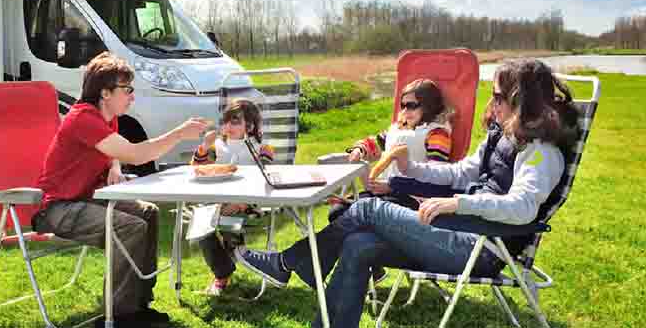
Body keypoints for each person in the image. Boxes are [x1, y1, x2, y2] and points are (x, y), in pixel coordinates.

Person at [236, 58, 579, 328]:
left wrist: (459, 202)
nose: (493, 104)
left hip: (479, 248)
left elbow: (521, 208)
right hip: (455, 230)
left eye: (499, 97)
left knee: (368, 209)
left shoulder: (542, 153)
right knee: (357, 245)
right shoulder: (503, 137)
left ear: (522, 102)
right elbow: (461, 172)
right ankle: (304, 280)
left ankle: (289, 263)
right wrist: (412, 169)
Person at [32, 52, 208, 328]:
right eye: (127, 90)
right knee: (128, 227)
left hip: (87, 200)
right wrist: (177, 134)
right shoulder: (83, 119)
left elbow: (113, 149)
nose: (132, 96)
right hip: (58, 208)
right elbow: (136, 154)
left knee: (147, 213)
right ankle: (117, 315)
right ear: (105, 93)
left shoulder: (106, 119)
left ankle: (138, 304)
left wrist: (114, 167)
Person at [331, 78, 453, 285]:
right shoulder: (399, 129)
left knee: (347, 213)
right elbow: (374, 142)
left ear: (428, 105)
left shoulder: (437, 133)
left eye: (412, 106)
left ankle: (367, 261)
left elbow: (436, 177)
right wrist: (360, 149)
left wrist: (393, 185)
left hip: (412, 199)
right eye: (403, 105)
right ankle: (374, 268)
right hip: (384, 194)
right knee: (337, 210)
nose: (406, 110)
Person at [190, 99, 275, 296]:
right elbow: (197, 169)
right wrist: (204, 146)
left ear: (250, 125)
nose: (228, 126)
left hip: (251, 201)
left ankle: (228, 267)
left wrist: (241, 202)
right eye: (226, 121)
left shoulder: (263, 147)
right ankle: (223, 271)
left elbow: (265, 178)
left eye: (235, 121)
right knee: (200, 225)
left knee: (228, 223)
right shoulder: (218, 146)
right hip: (217, 201)